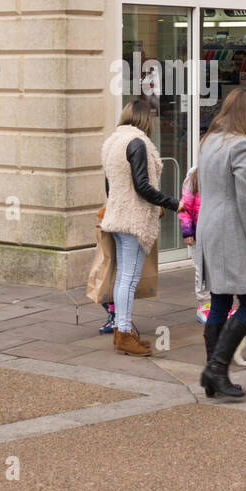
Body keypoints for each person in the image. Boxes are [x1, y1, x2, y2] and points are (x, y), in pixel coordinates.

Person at [194, 89, 246, 400]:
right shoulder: (242, 145)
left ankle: (215, 375)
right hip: (230, 230)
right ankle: (216, 368)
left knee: (221, 301)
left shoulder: (211, 140)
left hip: (209, 226)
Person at [100, 98, 180, 355]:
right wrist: (172, 203)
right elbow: (142, 186)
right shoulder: (137, 143)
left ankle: (121, 332)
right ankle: (123, 332)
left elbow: (110, 185)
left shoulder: (113, 141)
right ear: (147, 120)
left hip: (117, 216)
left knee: (124, 275)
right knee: (129, 278)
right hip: (133, 219)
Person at [178, 167, 209, 323]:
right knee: (202, 269)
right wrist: (187, 231)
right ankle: (204, 306)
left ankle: (219, 303)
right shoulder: (194, 175)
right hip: (197, 233)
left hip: (216, 231)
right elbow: (184, 206)